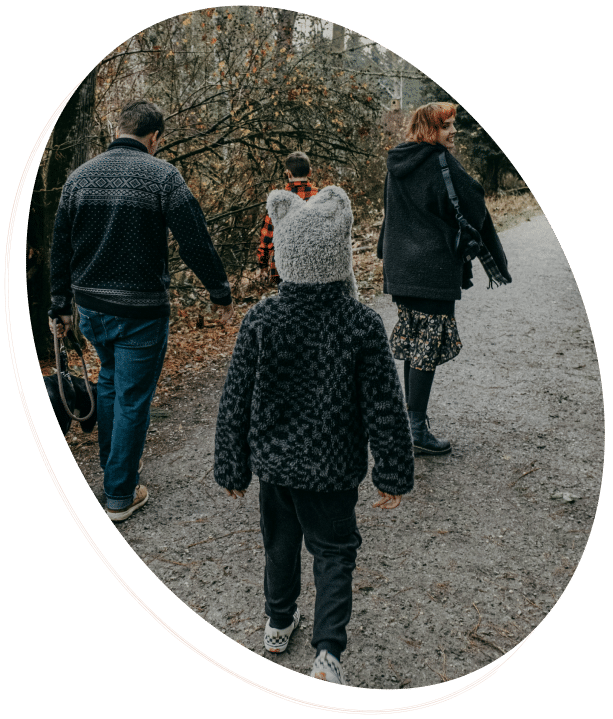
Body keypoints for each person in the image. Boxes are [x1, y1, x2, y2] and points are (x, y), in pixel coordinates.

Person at [214, 185, 414, 685]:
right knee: (334, 553)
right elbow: (385, 407)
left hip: (276, 468)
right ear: (339, 254)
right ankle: (327, 653)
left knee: (279, 544)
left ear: (284, 255)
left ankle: (279, 621)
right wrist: (391, 473)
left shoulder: (261, 319)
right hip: (333, 470)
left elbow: (235, 400)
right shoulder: (361, 323)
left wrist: (232, 466)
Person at [48, 100, 234, 522]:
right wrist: (219, 292)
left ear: (120, 127)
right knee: (131, 397)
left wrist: (59, 305)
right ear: (155, 138)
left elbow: (60, 247)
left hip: (91, 308)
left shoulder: (79, 178)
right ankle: (119, 494)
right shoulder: (163, 176)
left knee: (112, 384)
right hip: (141, 312)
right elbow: (194, 240)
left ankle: (117, 478)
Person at [377, 102, 512, 455]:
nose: (454, 132)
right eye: (448, 126)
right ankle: (416, 432)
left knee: (414, 343)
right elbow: (474, 198)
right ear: (429, 129)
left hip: (401, 267)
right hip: (431, 268)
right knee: (427, 346)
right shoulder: (439, 160)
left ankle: (409, 425)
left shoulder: (397, 162)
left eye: (453, 125)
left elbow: (390, 213)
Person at [256, 151, 318, 283]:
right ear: (310, 172)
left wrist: (263, 264)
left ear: (288, 174)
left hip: (284, 267)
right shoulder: (320, 198)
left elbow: (267, 236)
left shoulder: (277, 202)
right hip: (315, 264)